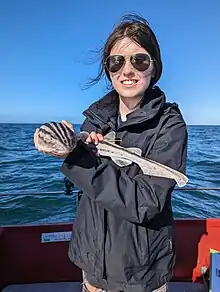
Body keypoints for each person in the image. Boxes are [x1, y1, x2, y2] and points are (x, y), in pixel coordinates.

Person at [60, 13, 187, 292]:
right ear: (109, 70)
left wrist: (82, 161)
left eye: (138, 60)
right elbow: (86, 191)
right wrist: (71, 145)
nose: (127, 70)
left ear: (154, 67)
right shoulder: (94, 119)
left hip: (142, 274)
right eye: (117, 62)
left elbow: (146, 201)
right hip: (91, 268)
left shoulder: (169, 125)